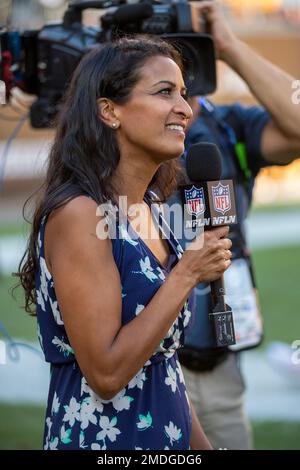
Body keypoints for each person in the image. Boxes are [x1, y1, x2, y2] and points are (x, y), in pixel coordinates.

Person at [17, 35, 233, 450]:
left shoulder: (151, 207)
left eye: (184, 95)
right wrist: (186, 273)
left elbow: (163, 371)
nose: (185, 110)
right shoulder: (79, 215)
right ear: (110, 111)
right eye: (164, 92)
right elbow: (107, 375)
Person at [172, 1, 300, 450]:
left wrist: (231, 47)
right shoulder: (113, 134)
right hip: (147, 359)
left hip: (223, 350)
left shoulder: (226, 127)